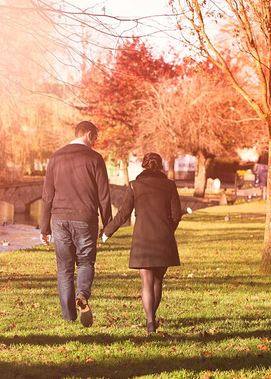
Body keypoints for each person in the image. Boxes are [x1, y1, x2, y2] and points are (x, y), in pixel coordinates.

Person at [40, 121, 112, 327]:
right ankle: (82, 294)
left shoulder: (56, 157)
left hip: (59, 219)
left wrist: (44, 228)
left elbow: (47, 195)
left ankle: (68, 317)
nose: (95, 142)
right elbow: (104, 196)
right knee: (86, 262)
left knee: (64, 268)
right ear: (89, 135)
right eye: (95, 138)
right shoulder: (95, 159)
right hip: (85, 218)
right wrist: (107, 224)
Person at [102, 153, 181, 334]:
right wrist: (168, 231)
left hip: (142, 240)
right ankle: (152, 319)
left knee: (146, 283)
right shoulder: (169, 185)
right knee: (158, 281)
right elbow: (176, 215)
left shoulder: (135, 186)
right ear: (160, 166)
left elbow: (123, 214)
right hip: (164, 240)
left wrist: (107, 231)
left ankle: (150, 322)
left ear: (144, 166)